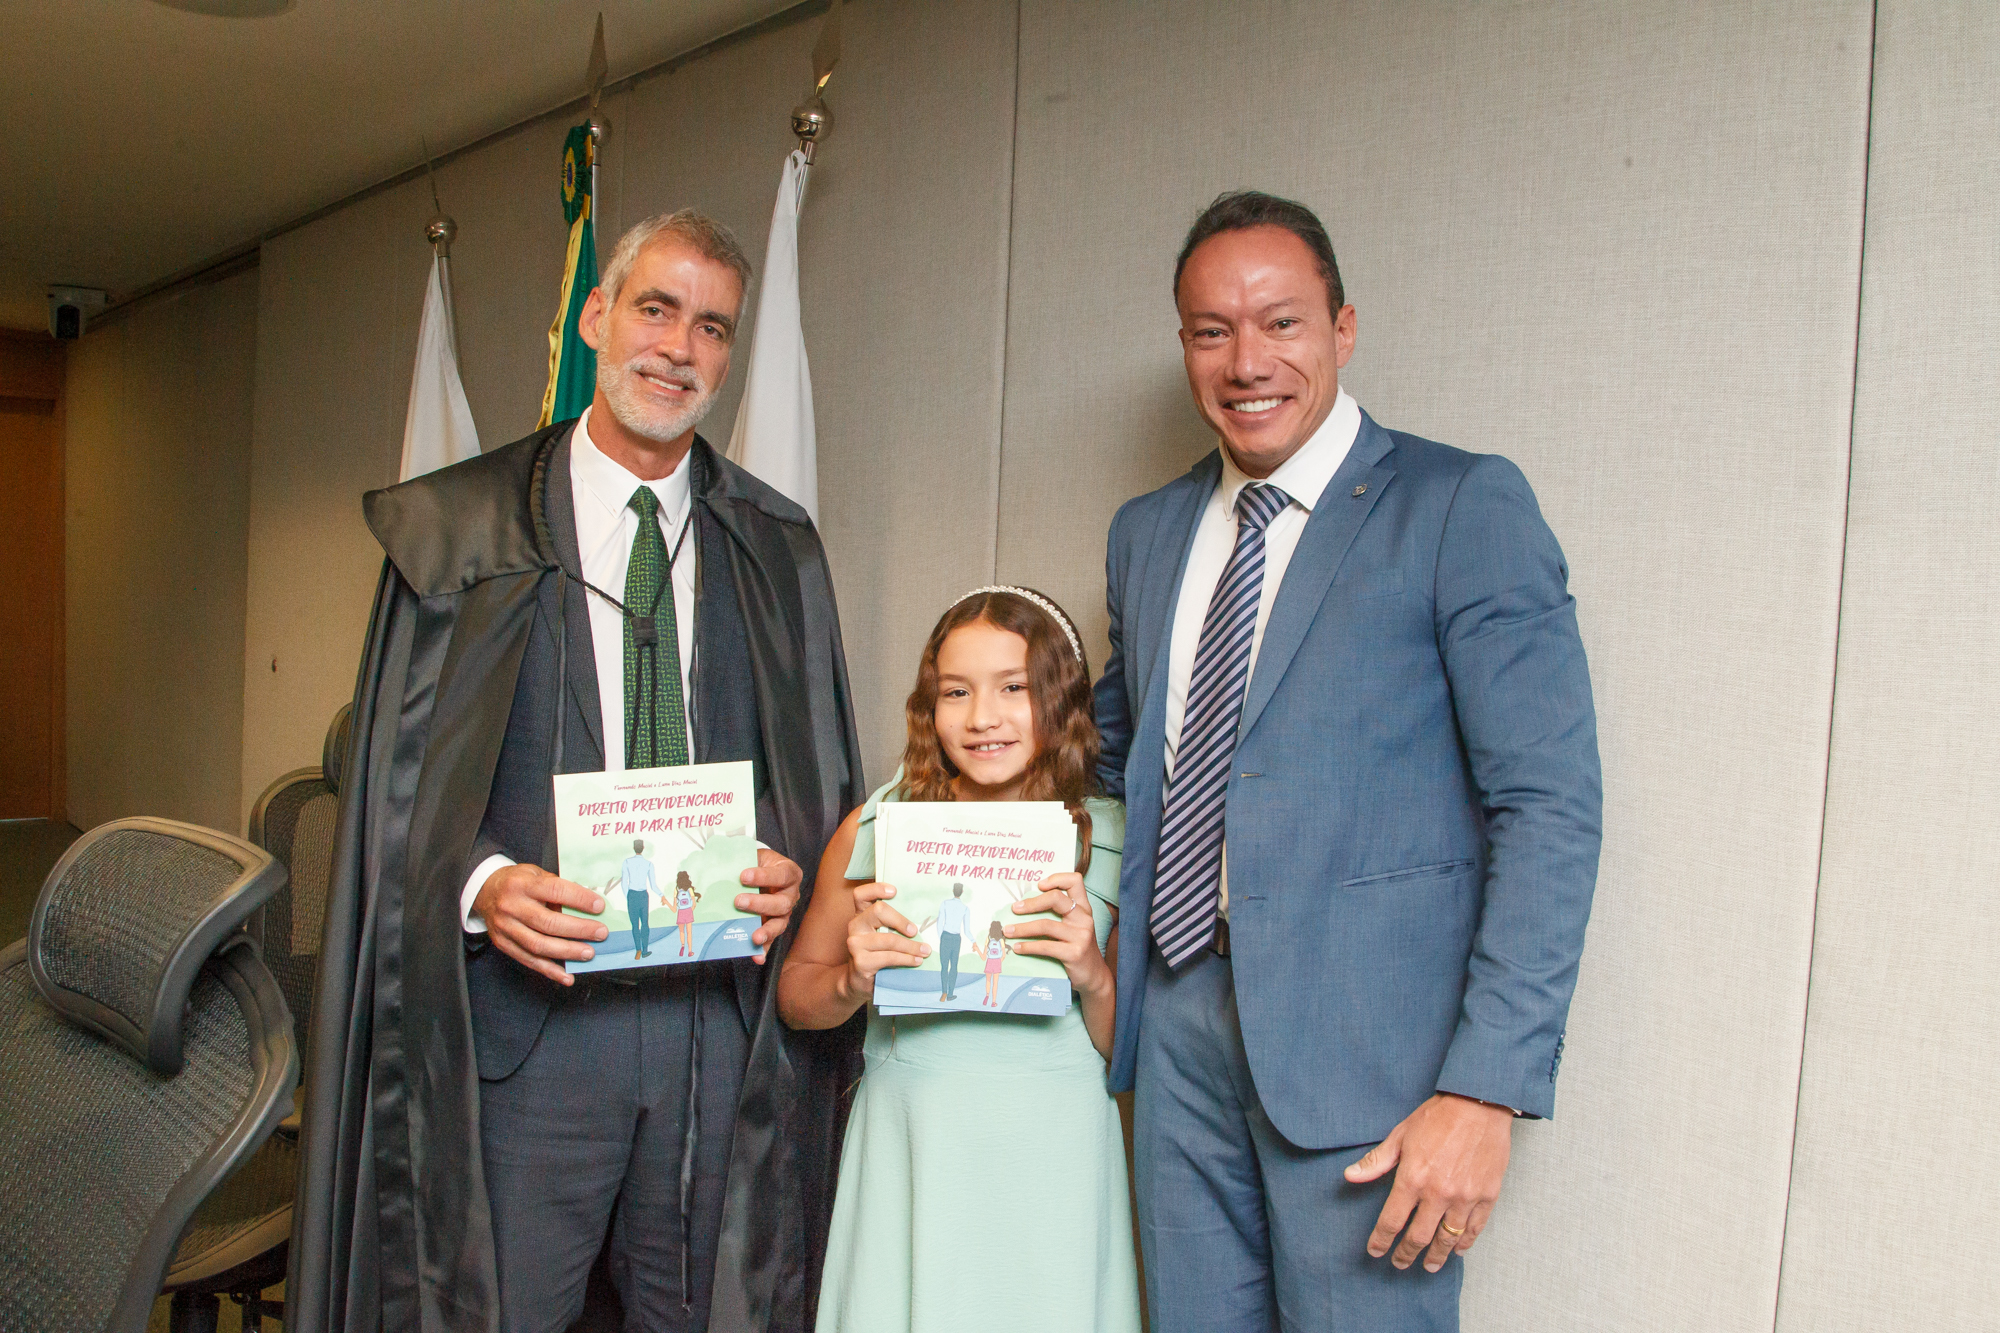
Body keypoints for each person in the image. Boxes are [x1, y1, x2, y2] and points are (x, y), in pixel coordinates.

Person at [288, 209, 867, 1333]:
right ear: (597, 317)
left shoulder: (775, 541)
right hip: (527, 1045)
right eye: (655, 308)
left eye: (711, 326)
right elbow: (396, 777)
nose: (678, 346)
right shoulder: (463, 532)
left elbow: (812, 775)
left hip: (712, 1037)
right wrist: (480, 884)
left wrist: (800, 873)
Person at [1094, 191, 1602, 1331]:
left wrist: (1486, 1087)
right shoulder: (1146, 531)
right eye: (1210, 330)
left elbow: (1547, 805)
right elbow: (1114, 755)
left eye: (1279, 322)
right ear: (1182, 344)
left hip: (1369, 1066)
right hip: (1173, 1036)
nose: (1245, 360)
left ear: (1341, 327)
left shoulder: (1458, 504)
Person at [778, 587, 1143, 1333]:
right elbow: (795, 994)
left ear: (1061, 700)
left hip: (1057, 1157)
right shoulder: (877, 825)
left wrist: (1093, 975)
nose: (982, 717)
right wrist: (851, 981)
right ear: (929, 705)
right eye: (956, 691)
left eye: (1014, 688)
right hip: (915, 1145)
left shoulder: (1116, 837)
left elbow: (1130, 1045)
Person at [935, 883, 972, 1001]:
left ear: (952, 890)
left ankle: (944, 992)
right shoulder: (965, 908)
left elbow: (939, 922)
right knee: (954, 966)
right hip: (956, 938)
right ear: (962, 892)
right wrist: (973, 940)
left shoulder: (945, 903)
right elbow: (966, 930)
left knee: (944, 966)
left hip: (945, 936)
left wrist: (942, 937)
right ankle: (950, 994)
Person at [623, 839, 658, 960]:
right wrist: (661, 895)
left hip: (632, 895)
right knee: (645, 924)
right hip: (643, 895)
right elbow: (653, 885)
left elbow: (624, 882)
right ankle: (645, 950)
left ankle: (638, 950)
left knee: (634, 925)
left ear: (634, 848)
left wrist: (627, 896)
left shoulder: (627, 862)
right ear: (643, 848)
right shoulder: (648, 864)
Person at [675, 869, 702, 957]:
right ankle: (690, 951)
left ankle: (682, 946)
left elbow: (675, 905)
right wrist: (690, 911)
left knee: (681, 931)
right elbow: (694, 904)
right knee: (689, 932)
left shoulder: (676, 890)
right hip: (688, 911)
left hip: (680, 912)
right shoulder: (689, 889)